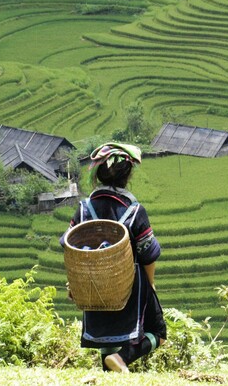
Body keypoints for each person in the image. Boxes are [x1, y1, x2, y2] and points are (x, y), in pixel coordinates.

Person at [60, 142, 166, 373]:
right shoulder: (134, 211)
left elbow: (69, 247)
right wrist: (150, 285)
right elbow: (148, 254)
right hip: (126, 287)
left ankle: (113, 367)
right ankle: (123, 358)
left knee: (107, 340)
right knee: (159, 332)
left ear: (98, 175)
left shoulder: (84, 208)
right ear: (127, 175)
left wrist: (75, 282)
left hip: (92, 287)